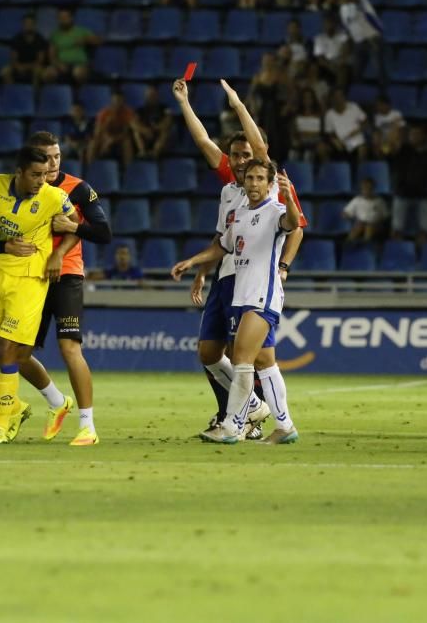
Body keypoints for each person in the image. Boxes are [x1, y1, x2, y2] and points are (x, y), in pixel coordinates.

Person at [172, 76, 306, 438]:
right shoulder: (236, 201)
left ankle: (233, 423)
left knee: (243, 357)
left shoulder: (274, 194)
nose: (245, 167)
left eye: (251, 161)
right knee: (249, 358)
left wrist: (236, 103)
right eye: (238, 158)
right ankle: (280, 423)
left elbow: (294, 225)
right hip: (231, 278)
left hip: (258, 287)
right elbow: (222, 243)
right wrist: (197, 266)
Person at [0, 132, 112, 447]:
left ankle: (87, 426)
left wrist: (64, 246)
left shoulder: (74, 189)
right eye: (45, 158)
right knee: (15, 353)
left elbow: (103, 233)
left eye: (56, 157)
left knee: (68, 348)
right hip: (21, 275)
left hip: (63, 273)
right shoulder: (4, 186)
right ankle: (55, 401)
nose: (51, 164)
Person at [385, 124, 427, 249]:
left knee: (424, 230)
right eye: (412, 134)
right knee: (396, 229)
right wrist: (395, 132)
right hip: (402, 194)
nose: (414, 137)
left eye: (417, 134)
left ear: (423, 136)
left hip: (422, 195)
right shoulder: (402, 150)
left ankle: (423, 257)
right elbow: (390, 147)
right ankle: (397, 254)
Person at [337, 0, 385, 90]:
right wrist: (344, 44)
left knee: (379, 70)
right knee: (357, 73)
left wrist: (379, 32)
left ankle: (383, 94)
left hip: (372, 39)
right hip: (358, 43)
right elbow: (346, 26)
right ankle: (362, 95)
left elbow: (369, 15)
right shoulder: (342, 8)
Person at [42, 8, 100, 85]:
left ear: (71, 18)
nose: (63, 20)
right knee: (47, 74)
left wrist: (85, 40)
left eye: (65, 17)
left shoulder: (81, 31)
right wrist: (58, 64)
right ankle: (54, 95)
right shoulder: (55, 34)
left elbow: (98, 40)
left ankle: (81, 94)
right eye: (61, 18)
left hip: (80, 63)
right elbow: (51, 55)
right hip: (61, 64)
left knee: (79, 73)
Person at [87, 91, 135, 167]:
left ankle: (127, 170)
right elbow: (98, 132)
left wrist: (113, 139)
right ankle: (90, 168)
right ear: (112, 101)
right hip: (105, 138)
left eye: (119, 101)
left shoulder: (127, 113)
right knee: (93, 143)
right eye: (115, 101)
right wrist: (107, 138)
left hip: (119, 139)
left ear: (123, 101)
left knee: (127, 143)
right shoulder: (104, 113)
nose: (117, 103)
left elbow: (127, 132)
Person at [322, 87, 368, 163]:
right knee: (322, 148)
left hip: (354, 141)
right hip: (340, 141)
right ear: (332, 99)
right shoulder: (329, 114)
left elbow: (366, 122)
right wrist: (335, 141)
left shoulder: (354, 107)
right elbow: (329, 133)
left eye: (340, 96)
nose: (338, 99)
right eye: (336, 97)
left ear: (344, 97)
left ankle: (359, 173)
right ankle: (327, 171)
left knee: (362, 149)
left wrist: (357, 130)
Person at [1, 13, 48, 86]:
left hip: (34, 66)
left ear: (34, 25)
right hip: (19, 65)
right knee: (5, 71)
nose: (28, 25)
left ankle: (34, 94)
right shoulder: (17, 39)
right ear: (23, 25)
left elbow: (40, 60)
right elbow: (13, 58)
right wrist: (18, 66)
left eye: (30, 23)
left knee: (38, 70)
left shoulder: (40, 39)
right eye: (26, 23)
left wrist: (26, 67)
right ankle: (11, 92)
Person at [131, 85, 173, 159]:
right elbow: (133, 123)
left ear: (157, 96)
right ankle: (142, 152)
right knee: (136, 132)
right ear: (146, 96)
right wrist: (144, 130)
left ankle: (155, 153)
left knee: (165, 132)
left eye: (153, 95)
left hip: (158, 134)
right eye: (150, 95)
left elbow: (168, 121)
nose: (151, 97)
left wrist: (156, 128)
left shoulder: (164, 108)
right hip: (146, 135)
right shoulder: (140, 110)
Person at [342, 178, 388, 243]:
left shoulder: (379, 201)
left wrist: (378, 220)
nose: (367, 191)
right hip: (360, 223)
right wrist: (346, 215)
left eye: (369, 188)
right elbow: (346, 212)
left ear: (373, 189)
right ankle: (348, 244)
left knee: (369, 228)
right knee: (358, 227)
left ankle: (366, 246)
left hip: (375, 224)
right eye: (365, 188)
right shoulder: (357, 200)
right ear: (361, 189)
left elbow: (385, 215)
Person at [312, 15, 350, 89]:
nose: (328, 25)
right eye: (326, 23)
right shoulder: (319, 38)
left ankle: (339, 92)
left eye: (330, 23)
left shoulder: (342, 36)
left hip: (339, 63)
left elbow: (346, 52)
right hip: (326, 65)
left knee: (343, 69)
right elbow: (320, 58)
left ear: (335, 24)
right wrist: (330, 65)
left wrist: (339, 62)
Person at [290, 87, 323, 163]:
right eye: (305, 98)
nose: (307, 100)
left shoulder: (319, 114)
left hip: (315, 141)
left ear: (313, 99)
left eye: (309, 98)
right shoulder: (297, 115)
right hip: (301, 141)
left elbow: (321, 132)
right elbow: (293, 132)